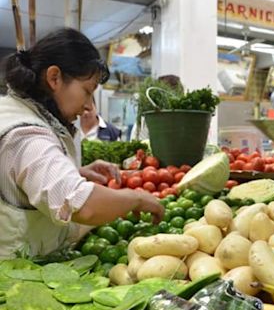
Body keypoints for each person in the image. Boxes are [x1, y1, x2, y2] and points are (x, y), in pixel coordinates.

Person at [0, 28, 164, 258]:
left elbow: (21, 178)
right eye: (87, 91)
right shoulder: (26, 135)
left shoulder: (12, 112)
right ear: (54, 77)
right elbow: (82, 206)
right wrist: (136, 199)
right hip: (12, 280)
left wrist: (76, 172)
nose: (88, 105)